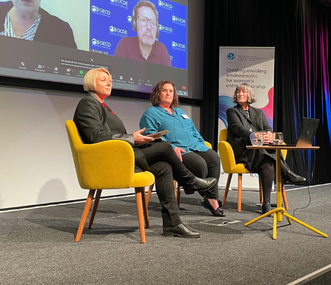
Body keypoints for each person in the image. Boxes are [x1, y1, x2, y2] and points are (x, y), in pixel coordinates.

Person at [73, 68, 217, 238]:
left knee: (163, 167)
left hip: (120, 154)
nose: (109, 82)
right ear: (91, 82)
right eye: (104, 80)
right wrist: (132, 138)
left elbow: (109, 135)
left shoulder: (103, 106)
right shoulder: (88, 103)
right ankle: (190, 181)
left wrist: (137, 139)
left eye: (110, 80)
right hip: (108, 161)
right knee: (165, 147)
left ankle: (173, 224)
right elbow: (95, 136)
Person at [139, 80, 224, 217]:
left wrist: (202, 143)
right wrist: (172, 148)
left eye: (171, 91)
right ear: (157, 93)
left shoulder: (179, 112)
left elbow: (193, 130)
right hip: (178, 150)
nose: (168, 93)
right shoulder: (151, 113)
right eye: (165, 90)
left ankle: (211, 198)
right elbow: (151, 135)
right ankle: (206, 195)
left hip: (195, 145)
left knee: (214, 158)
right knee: (199, 164)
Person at [226, 83, 306, 214]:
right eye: (238, 92)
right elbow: (238, 128)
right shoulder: (232, 111)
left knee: (268, 163)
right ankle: (287, 172)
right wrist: (254, 136)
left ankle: (266, 203)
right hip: (243, 149)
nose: (240, 94)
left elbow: (267, 128)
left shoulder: (258, 112)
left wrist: (269, 134)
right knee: (263, 150)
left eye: (243, 92)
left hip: (259, 151)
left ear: (249, 95)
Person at [114, 0, 172, 66]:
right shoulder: (125, 45)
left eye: (153, 23)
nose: (149, 27)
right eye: (143, 20)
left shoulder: (162, 50)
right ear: (135, 24)